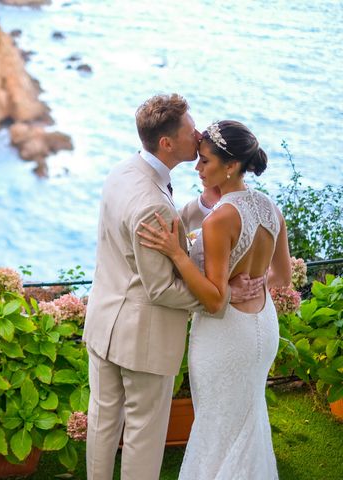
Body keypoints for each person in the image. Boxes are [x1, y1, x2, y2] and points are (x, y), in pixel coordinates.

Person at [83, 94, 264, 480]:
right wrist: (224, 296)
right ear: (167, 143)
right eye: (189, 130)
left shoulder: (125, 172)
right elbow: (162, 289)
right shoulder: (153, 203)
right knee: (143, 435)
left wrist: (202, 204)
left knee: (102, 422)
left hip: (103, 323)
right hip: (143, 338)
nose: (197, 134)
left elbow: (163, 222)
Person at [138, 120, 292, 479]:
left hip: (225, 337)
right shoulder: (270, 207)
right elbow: (282, 277)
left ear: (231, 165)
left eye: (205, 161)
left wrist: (177, 254)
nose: (197, 168)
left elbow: (213, 299)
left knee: (215, 426)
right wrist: (255, 286)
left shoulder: (219, 220)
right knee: (248, 420)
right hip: (263, 326)